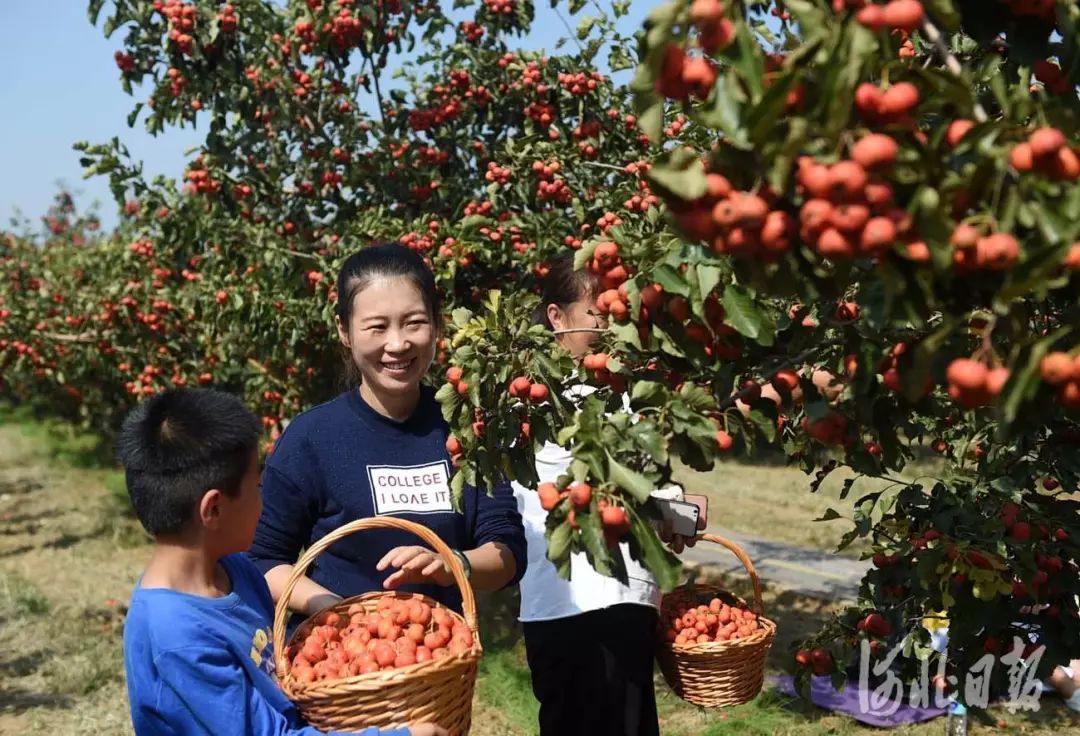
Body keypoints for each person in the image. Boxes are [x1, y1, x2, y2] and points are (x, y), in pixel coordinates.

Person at [118, 388, 446, 736]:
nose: (264, 501)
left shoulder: (234, 571)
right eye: (257, 487)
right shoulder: (178, 638)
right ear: (213, 509)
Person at [249, 243, 526, 627]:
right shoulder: (311, 438)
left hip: (436, 662)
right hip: (343, 660)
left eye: (414, 322)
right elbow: (262, 560)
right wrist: (330, 608)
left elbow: (508, 553)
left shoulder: (468, 427)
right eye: (377, 327)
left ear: (437, 325)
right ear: (344, 331)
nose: (397, 344)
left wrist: (453, 563)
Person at [512, 254, 706, 736]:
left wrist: (678, 510)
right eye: (597, 314)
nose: (611, 325)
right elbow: (585, 494)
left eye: (617, 313)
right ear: (556, 318)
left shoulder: (625, 390)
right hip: (567, 601)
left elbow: (634, 490)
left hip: (628, 598)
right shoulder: (534, 400)